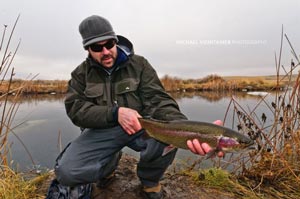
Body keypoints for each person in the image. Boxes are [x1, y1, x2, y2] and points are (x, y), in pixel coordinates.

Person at [54, 15, 221, 199]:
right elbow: (76, 110)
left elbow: (158, 99)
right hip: (102, 131)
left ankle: (149, 181)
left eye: (109, 44)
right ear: (88, 49)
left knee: (166, 138)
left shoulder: (140, 65)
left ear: (115, 41)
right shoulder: (80, 74)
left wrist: (182, 127)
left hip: (143, 128)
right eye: (97, 47)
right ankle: (107, 167)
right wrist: (115, 113)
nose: (105, 51)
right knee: (66, 172)